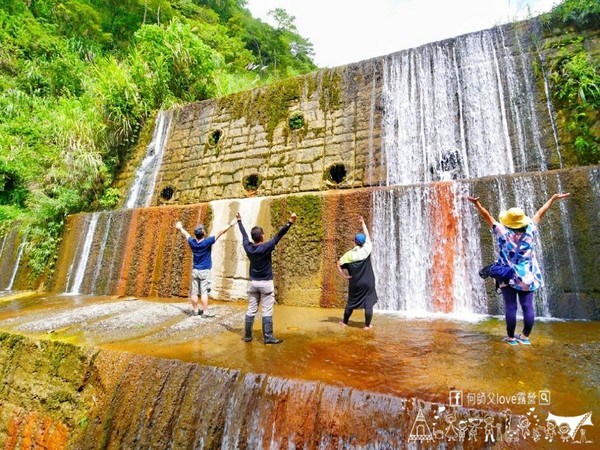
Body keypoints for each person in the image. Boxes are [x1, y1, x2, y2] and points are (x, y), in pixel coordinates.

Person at [467, 193, 571, 345]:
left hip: (508, 275)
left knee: (511, 307)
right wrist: (553, 199)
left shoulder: (502, 231)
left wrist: (477, 204)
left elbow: (486, 216)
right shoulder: (531, 230)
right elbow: (540, 212)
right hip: (528, 275)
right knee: (528, 306)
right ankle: (525, 337)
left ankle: (510, 338)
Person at [236, 211, 297, 344]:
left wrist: (239, 221)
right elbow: (279, 235)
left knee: (251, 309)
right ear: (262, 236)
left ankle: (247, 336)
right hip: (266, 284)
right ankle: (268, 337)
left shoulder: (248, 247)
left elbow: (244, 234)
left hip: (252, 283)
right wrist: (290, 222)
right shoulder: (267, 247)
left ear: (253, 238)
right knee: (267, 310)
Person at [175, 219, 236, 317]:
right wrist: (231, 224)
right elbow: (220, 232)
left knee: (194, 292)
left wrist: (180, 227)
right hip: (205, 271)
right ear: (203, 233)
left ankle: (195, 311)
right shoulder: (207, 242)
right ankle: (205, 312)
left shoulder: (192, 242)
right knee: (204, 292)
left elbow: (186, 234)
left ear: (195, 235)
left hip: (195, 271)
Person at [337, 216, 378, 329]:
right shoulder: (367, 249)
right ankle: (367, 325)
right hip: (369, 282)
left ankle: (345, 322)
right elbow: (368, 236)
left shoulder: (349, 255)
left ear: (355, 242)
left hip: (356, 284)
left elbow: (338, 263)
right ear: (363, 242)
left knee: (351, 303)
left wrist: (344, 275)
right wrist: (363, 223)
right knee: (368, 304)